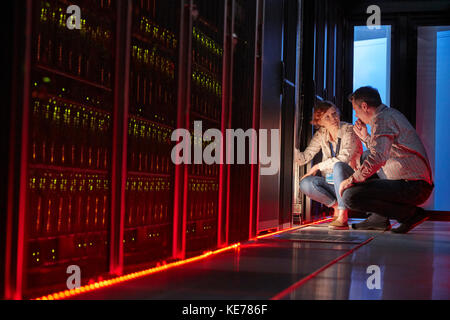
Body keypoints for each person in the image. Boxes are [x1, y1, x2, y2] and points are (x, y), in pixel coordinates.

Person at [337, 86, 434, 233]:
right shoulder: (388, 114)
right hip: (415, 183)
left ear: (364, 106)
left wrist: (350, 180)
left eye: (356, 111)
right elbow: (385, 150)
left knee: (350, 196)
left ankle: (410, 215)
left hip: (414, 187)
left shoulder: (381, 120)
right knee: (365, 156)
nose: (356, 115)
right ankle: (379, 219)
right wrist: (365, 137)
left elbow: (378, 157)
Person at [295, 100, 363, 230]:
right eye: (327, 117)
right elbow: (304, 158)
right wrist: (288, 144)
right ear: (319, 122)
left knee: (338, 166)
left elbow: (343, 159)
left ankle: (343, 215)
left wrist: (317, 167)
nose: (333, 118)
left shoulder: (349, 130)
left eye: (334, 114)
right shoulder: (321, 134)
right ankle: (336, 206)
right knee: (305, 183)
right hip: (332, 185)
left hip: (351, 183)